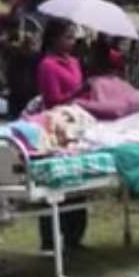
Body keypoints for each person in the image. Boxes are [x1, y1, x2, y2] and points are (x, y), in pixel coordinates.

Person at [38, 20, 90, 252]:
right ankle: (49, 240)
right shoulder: (48, 65)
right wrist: (77, 93)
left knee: (78, 183)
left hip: (76, 124)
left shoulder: (75, 62)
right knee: (56, 185)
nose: (72, 41)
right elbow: (52, 100)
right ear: (54, 39)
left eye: (73, 37)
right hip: (56, 126)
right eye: (67, 37)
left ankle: (74, 238)